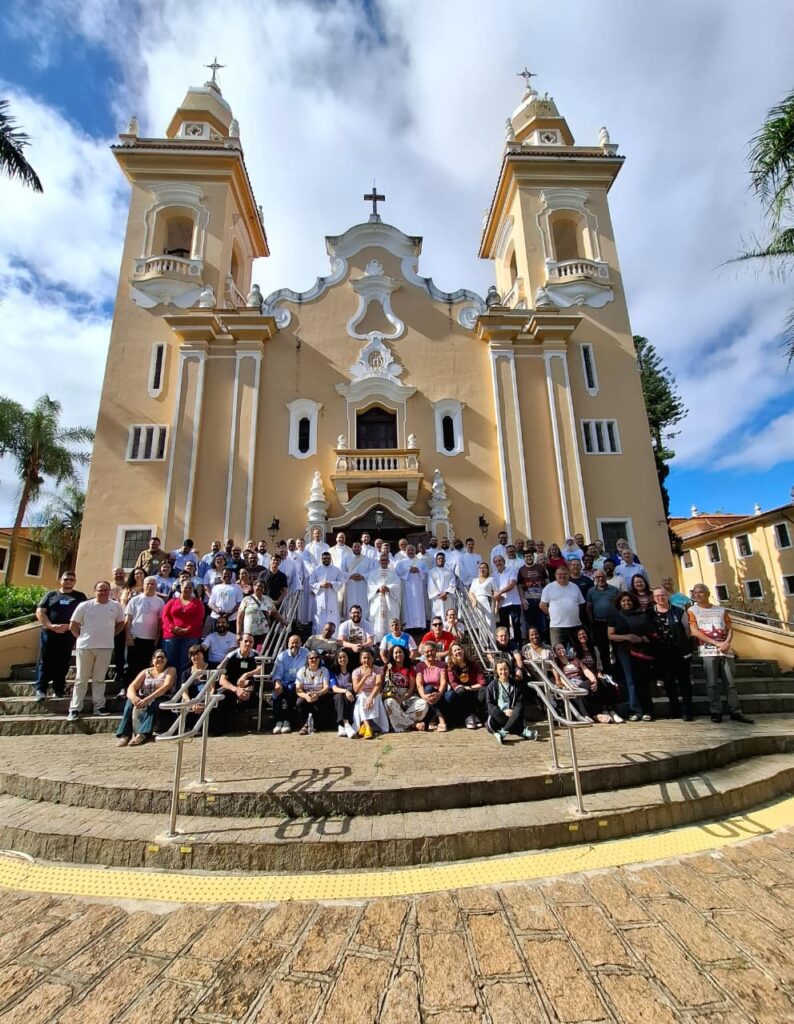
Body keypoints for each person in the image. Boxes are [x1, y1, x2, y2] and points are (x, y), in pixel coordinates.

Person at [687, 584, 754, 724]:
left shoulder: (720, 610)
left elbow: (730, 628)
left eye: (701, 592)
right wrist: (716, 643)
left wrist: (727, 642)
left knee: (730, 683)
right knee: (712, 683)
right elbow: (694, 631)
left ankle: (735, 711)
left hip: (725, 650)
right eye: (695, 593)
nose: (698, 595)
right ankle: (715, 711)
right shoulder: (692, 610)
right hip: (707, 650)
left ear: (708, 593)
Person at [67, 581, 126, 721]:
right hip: (85, 647)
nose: (104, 592)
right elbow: (73, 625)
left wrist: (111, 635)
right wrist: (81, 638)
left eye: (106, 590)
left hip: (105, 647)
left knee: (99, 679)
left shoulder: (116, 606)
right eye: (100, 590)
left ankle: (99, 706)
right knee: (81, 679)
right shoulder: (85, 606)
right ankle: (75, 708)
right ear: (95, 591)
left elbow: (121, 624)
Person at [34, 571, 87, 702]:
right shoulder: (51, 595)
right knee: (45, 661)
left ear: (75, 581)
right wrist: (51, 626)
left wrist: (70, 627)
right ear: (60, 580)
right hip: (49, 633)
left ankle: (58, 689)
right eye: (66, 579)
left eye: (71, 579)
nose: (68, 581)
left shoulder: (80, 596)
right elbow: (40, 612)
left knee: (63, 662)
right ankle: (41, 689)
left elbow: (86, 615)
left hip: (68, 634)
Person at [649, 587, 694, 720]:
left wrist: (688, 648)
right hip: (661, 653)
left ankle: (687, 711)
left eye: (663, 595)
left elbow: (687, 630)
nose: (660, 598)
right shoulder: (650, 613)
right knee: (669, 683)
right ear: (653, 598)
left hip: (679, 652)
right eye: (657, 596)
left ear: (667, 596)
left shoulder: (679, 611)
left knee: (684, 683)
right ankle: (675, 710)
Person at [608, 591, 654, 721]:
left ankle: (648, 710)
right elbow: (610, 635)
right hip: (624, 651)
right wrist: (626, 637)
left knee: (643, 681)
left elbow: (651, 633)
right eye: (623, 601)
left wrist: (642, 639)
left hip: (642, 651)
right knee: (631, 681)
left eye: (628, 601)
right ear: (619, 603)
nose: (626, 603)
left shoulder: (642, 615)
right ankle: (636, 710)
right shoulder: (615, 616)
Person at [115, 649, 176, 746]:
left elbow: (166, 687)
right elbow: (132, 687)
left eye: (162, 657)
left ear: (166, 659)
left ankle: (143, 734)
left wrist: (147, 700)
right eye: (157, 657)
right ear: (153, 660)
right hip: (144, 697)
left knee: (155, 704)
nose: (159, 659)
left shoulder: (170, 670)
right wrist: (134, 698)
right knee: (129, 703)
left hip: (162, 697)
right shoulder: (146, 672)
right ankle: (125, 735)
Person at [571, 629, 623, 723]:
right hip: (582, 677)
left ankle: (610, 711)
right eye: (580, 634)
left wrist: (599, 677)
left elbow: (599, 667)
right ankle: (599, 712)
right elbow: (580, 669)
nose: (582, 636)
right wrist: (593, 680)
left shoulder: (594, 649)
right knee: (588, 686)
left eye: (584, 633)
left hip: (595, 675)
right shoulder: (574, 651)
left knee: (604, 683)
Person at [124, 576, 164, 683]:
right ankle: (128, 687)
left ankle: (143, 687)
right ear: (143, 585)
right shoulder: (135, 600)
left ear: (156, 586)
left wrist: (157, 638)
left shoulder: (160, 602)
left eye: (153, 584)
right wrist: (127, 636)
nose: (150, 586)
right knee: (132, 665)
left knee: (146, 666)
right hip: (135, 637)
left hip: (150, 639)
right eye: (148, 584)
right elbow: (128, 619)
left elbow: (160, 622)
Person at [485, 658, 536, 743]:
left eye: (505, 669)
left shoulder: (516, 685)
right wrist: (504, 712)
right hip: (499, 716)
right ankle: (521, 731)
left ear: (509, 670)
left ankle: (503, 732)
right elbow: (490, 704)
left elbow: (519, 702)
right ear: (496, 671)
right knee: (494, 714)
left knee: (519, 708)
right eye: (500, 669)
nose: (503, 672)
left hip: (512, 715)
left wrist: (512, 711)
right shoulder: (491, 686)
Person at [161, 580, 205, 677]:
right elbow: (165, 616)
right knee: (170, 660)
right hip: (172, 635)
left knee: (187, 661)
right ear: (181, 588)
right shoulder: (172, 602)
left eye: (190, 588)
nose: (188, 589)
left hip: (191, 636)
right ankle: (170, 685)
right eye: (185, 587)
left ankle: (183, 685)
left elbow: (199, 619)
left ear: (193, 590)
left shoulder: (198, 603)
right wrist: (172, 628)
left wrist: (187, 629)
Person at [216, 633, 259, 732]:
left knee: (249, 690)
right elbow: (222, 680)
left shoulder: (256, 655)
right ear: (240, 642)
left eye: (251, 642)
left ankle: (248, 726)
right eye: (246, 641)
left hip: (248, 685)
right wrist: (236, 690)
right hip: (232, 687)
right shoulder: (231, 656)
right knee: (223, 698)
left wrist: (246, 675)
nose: (248, 644)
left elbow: (260, 669)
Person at [383, 645, 427, 732]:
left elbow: (411, 688)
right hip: (392, 696)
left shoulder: (409, 667)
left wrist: (402, 699)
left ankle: (400, 720)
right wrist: (394, 697)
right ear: (392, 655)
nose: (398, 654)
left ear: (404, 654)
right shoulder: (388, 667)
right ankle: (413, 724)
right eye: (396, 653)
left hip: (407, 696)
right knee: (389, 703)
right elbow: (385, 686)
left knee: (423, 704)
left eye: (400, 652)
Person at [540, 565, 585, 648]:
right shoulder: (549, 588)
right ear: (555, 575)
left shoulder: (575, 587)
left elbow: (581, 603)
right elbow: (542, 605)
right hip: (556, 626)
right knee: (558, 652)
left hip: (575, 625)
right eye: (559, 574)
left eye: (565, 574)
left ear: (569, 574)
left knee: (578, 650)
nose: (562, 576)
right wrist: (552, 614)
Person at [270, 633, 308, 733]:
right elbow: (278, 673)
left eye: (297, 643)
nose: (294, 645)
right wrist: (278, 683)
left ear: (301, 644)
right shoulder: (282, 656)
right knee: (276, 692)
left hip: (298, 682)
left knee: (291, 689)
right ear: (288, 644)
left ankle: (287, 721)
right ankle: (278, 722)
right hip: (284, 681)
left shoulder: (306, 653)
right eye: (292, 643)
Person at [444, 641, 486, 729]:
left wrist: (468, 688)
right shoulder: (451, 666)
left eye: (459, 649)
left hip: (473, 690)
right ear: (452, 654)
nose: (457, 652)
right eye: (454, 651)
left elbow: (482, 682)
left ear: (463, 650)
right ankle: (467, 716)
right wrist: (462, 688)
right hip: (461, 693)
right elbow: (453, 683)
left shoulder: (473, 663)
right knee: (460, 691)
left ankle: (476, 715)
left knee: (484, 690)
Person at [586, 568, 621, 672]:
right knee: (603, 648)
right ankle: (607, 671)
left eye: (602, 576)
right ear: (595, 578)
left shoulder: (614, 590)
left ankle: (619, 669)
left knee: (617, 647)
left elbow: (620, 605)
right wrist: (591, 620)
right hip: (599, 623)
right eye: (598, 577)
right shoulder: (591, 591)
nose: (600, 579)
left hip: (613, 623)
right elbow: (588, 607)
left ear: (606, 577)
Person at [352, 649, 388, 738]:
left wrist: (371, 697)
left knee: (367, 698)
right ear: (361, 659)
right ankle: (368, 727)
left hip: (375, 693)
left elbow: (378, 685)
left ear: (372, 659)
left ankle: (365, 725)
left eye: (369, 658)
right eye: (364, 658)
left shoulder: (378, 669)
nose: (366, 660)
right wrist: (365, 676)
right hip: (362, 693)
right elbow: (356, 689)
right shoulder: (356, 672)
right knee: (362, 698)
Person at [237, 580, 284, 648]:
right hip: (249, 633)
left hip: (263, 633)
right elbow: (239, 617)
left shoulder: (267, 599)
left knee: (261, 652)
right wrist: (238, 633)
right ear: (253, 587)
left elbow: (275, 612)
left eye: (262, 587)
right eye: (258, 586)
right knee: (249, 652)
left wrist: (284, 621)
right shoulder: (246, 600)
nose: (260, 588)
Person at [295, 651, 332, 733]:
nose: (314, 659)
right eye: (311, 658)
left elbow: (326, 687)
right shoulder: (302, 671)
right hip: (306, 694)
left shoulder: (324, 670)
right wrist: (306, 696)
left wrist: (318, 694)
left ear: (319, 660)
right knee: (300, 702)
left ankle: (314, 724)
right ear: (307, 660)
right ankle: (304, 725)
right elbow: (298, 689)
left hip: (320, 694)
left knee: (321, 702)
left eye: (316, 657)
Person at [367, 553, 401, 641]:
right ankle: (377, 640)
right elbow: (370, 585)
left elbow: (397, 585)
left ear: (389, 561)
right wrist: (378, 589)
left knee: (390, 618)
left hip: (389, 600)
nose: (384, 562)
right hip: (378, 600)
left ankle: (391, 638)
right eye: (382, 560)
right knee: (377, 620)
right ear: (379, 562)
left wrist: (388, 588)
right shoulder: (373, 574)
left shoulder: (393, 574)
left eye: (386, 560)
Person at [415, 643, 448, 731]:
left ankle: (429, 721)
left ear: (436, 651)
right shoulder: (420, 666)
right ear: (423, 654)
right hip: (427, 693)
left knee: (448, 695)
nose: (430, 653)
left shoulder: (442, 665)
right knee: (428, 688)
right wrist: (423, 696)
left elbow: (443, 682)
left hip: (440, 693)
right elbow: (419, 684)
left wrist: (439, 694)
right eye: (427, 652)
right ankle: (440, 717)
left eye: (432, 651)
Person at [309, 551, 345, 634]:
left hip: (332, 597)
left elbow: (341, 581)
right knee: (319, 619)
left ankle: (334, 637)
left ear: (331, 559)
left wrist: (332, 584)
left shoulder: (336, 570)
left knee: (332, 617)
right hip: (320, 599)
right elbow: (311, 583)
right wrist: (320, 585)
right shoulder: (316, 570)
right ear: (321, 559)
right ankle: (318, 637)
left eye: (328, 558)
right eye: (324, 558)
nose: (326, 560)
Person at [395, 544, 427, 631]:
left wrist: (418, 570)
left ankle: (420, 625)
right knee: (407, 605)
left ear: (415, 551)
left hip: (419, 587)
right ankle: (408, 625)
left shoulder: (421, 561)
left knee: (419, 604)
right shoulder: (401, 562)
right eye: (408, 550)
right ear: (405, 551)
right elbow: (397, 572)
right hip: (407, 587)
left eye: (412, 550)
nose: (410, 552)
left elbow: (426, 572)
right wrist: (408, 570)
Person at [517, 550, 548, 638]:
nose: (529, 558)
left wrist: (547, 598)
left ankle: (543, 641)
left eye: (530, 556)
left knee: (542, 623)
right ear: (524, 558)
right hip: (528, 600)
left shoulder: (540, 567)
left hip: (541, 599)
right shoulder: (521, 570)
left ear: (533, 557)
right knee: (529, 623)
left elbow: (547, 582)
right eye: (527, 557)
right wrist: (522, 599)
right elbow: (519, 586)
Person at [492, 555, 521, 642]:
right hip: (502, 604)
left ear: (504, 561)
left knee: (516, 626)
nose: (498, 563)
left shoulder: (512, 570)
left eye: (499, 561)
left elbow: (512, 584)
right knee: (504, 627)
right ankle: (507, 647)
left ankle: (518, 645)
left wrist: (499, 592)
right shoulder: (493, 575)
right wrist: (496, 594)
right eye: (496, 562)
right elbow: (493, 590)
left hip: (513, 602)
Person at [330, 649, 357, 737]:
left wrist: (349, 692)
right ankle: (345, 724)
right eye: (340, 657)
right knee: (340, 696)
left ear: (348, 658)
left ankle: (342, 725)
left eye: (344, 657)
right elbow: (334, 688)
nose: (342, 659)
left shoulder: (353, 671)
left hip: (351, 694)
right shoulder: (333, 672)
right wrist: (345, 691)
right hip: (339, 695)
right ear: (337, 659)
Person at [342, 541, 372, 617]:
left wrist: (363, 576)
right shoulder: (346, 559)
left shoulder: (367, 559)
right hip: (350, 585)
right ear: (352, 548)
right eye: (355, 547)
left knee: (363, 603)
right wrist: (350, 576)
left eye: (358, 547)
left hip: (363, 585)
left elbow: (371, 571)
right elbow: (342, 571)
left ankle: (363, 618)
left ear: (361, 548)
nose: (356, 548)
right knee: (351, 602)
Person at [427, 552, 456, 622]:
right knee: (437, 615)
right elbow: (431, 585)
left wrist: (446, 593)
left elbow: (452, 583)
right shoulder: (432, 572)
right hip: (437, 598)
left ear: (445, 560)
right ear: (436, 560)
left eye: (442, 558)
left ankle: (448, 630)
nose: (441, 560)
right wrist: (439, 594)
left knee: (448, 614)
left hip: (447, 597)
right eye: (439, 559)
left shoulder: (449, 571)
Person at [468, 562, 496, 633]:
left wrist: (496, 606)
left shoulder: (491, 579)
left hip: (488, 600)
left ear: (487, 570)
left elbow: (496, 592)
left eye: (484, 568)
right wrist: (474, 600)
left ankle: (492, 642)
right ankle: (483, 643)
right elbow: (471, 593)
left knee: (489, 622)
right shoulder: (474, 580)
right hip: (477, 602)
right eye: (480, 568)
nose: (482, 569)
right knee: (481, 623)